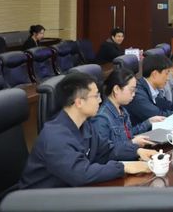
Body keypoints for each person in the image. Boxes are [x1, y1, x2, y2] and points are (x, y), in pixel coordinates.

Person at [19, 72, 151, 189]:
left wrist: (137, 151)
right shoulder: (55, 136)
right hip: (40, 200)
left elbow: (106, 151)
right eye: (96, 96)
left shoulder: (85, 125)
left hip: (68, 192)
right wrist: (124, 167)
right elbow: (80, 173)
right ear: (79, 102)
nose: (100, 100)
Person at [91, 68, 164, 151]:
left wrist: (149, 122)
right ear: (116, 89)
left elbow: (128, 134)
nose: (134, 94)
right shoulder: (102, 118)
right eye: (131, 90)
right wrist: (133, 142)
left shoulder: (122, 110)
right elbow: (106, 152)